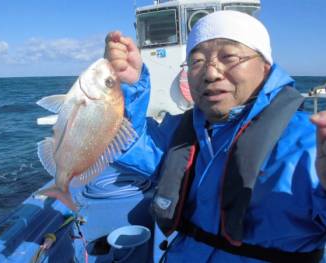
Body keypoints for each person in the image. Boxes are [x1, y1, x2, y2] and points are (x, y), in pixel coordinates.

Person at [104, 10, 326, 262]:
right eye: (197, 62)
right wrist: (128, 87)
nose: (210, 73)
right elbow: (125, 142)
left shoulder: (311, 145)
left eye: (229, 56)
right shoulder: (183, 132)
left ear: (265, 67)